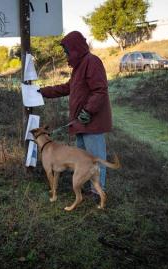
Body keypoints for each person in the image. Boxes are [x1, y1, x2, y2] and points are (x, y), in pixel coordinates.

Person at [38, 31, 112, 195]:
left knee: (95, 158)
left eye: (67, 51)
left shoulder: (92, 62)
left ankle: (98, 192)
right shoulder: (78, 67)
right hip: (80, 123)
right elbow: (66, 88)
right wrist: (41, 91)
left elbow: (100, 90)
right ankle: (87, 187)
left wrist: (88, 111)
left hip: (92, 122)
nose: (66, 55)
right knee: (83, 159)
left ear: (76, 48)